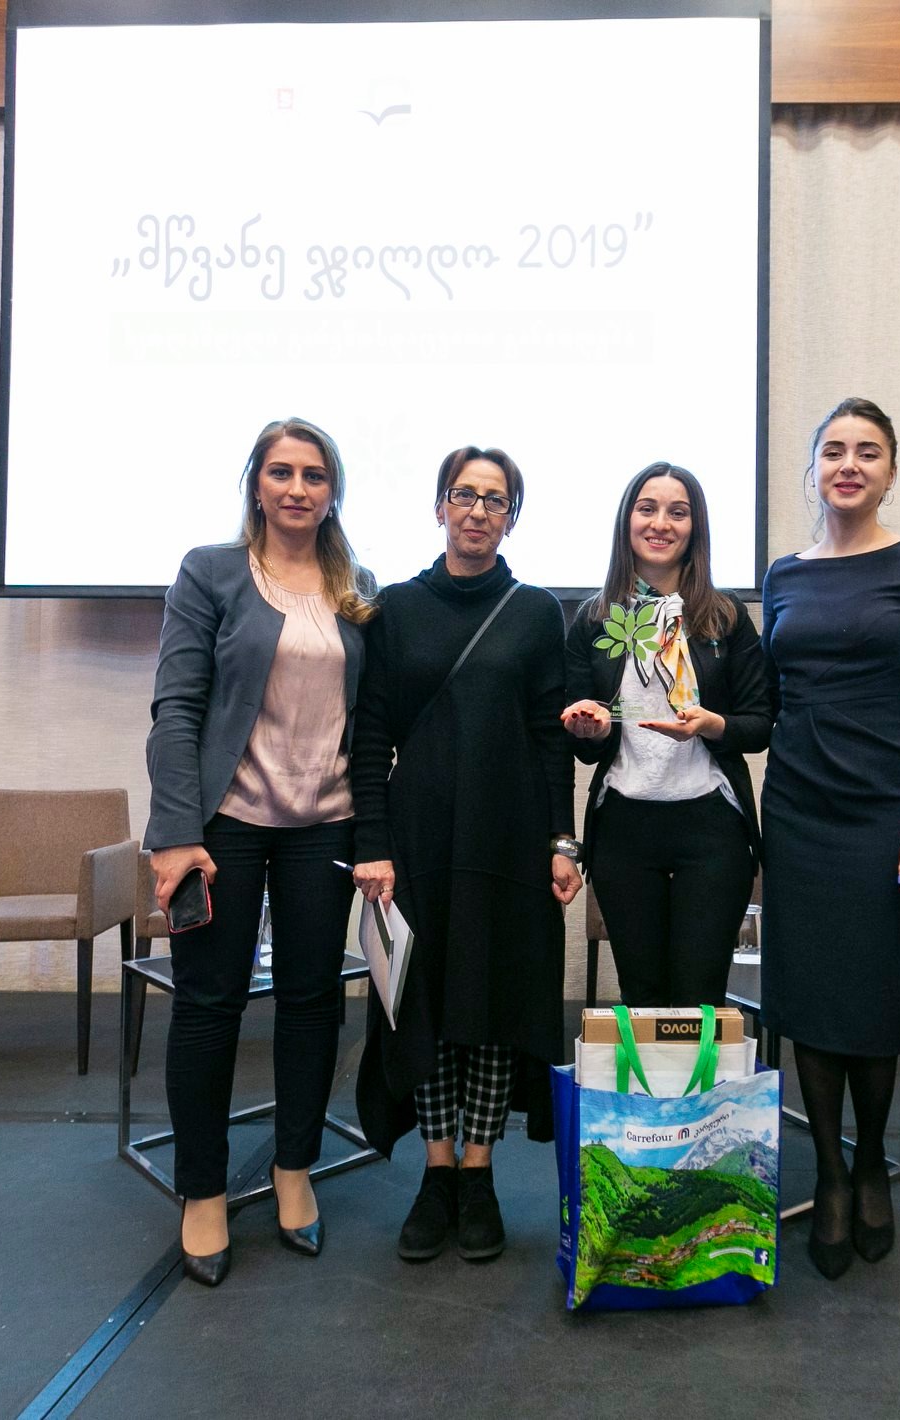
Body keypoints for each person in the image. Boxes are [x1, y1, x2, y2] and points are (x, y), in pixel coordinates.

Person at [144, 417, 377, 1287]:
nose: (297, 488)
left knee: (313, 1003)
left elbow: (371, 719)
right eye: (281, 472)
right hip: (225, 825)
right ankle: (202, 1190)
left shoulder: (357, 588)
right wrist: (175, 832)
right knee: (209, 1006)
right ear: (255, 483)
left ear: (332, 491)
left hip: (326, 823)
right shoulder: (210, 572)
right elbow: (176, 708)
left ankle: (293, 1169)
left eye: (314, 475)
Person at [350, 445, 579, 1265]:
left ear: (511, 517)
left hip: (508, 843)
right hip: (416, 844)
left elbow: (551, 738)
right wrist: (371, 844)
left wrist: (562, 842)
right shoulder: (397, 608)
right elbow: (369, 734)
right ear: (439, 506)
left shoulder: (535, 612)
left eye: (495, 499)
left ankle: (478, 1171)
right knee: (425, 1007)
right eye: (464, 494)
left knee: (491, 1007)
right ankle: (436, 1168)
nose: (478, 510)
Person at [759, 397, 900, 1279]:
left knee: (873, 1001)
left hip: (885, 809)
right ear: (811, 470)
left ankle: (871, 1157)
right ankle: (831, 1174)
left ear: (890, 471)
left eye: (867, 451)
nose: (849, 464)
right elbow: (766, 702)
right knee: (807, 1001)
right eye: (833, 450)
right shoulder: (783, 574)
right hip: (796, 810)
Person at [561, 462, 770, 1008]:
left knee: (700, 995)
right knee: (642, 995)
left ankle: (699, 1074)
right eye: (647, 509)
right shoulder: (594, 619)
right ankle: (647, 1074)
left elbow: (759, 723)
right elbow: (584, 745)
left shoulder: (724, 616)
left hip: (712, 826)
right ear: (626, 520)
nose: (661, 523)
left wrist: (712, 725)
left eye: (678, 512)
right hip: (624, 826)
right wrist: (591, 728)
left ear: (695, 527)